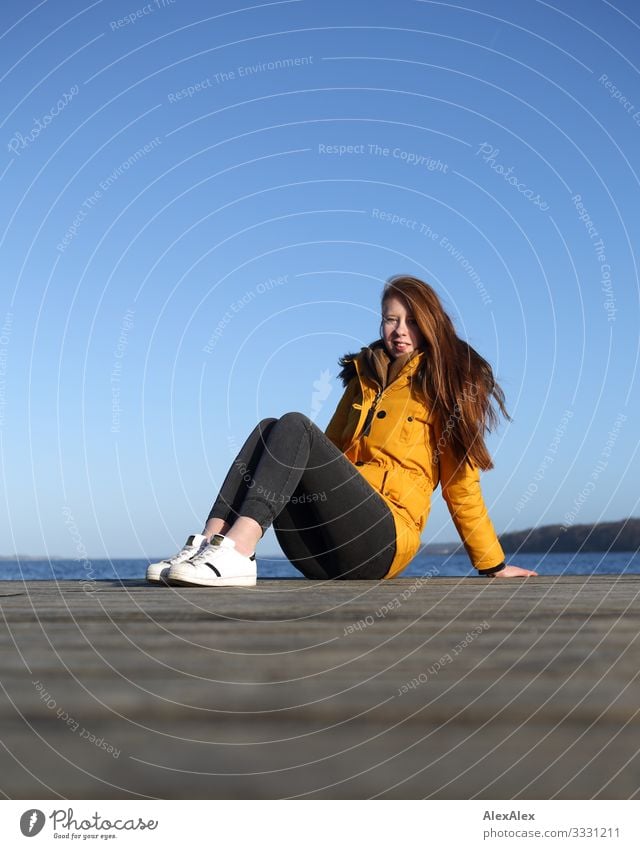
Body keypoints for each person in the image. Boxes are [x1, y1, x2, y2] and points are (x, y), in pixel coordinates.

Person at [147, 275, 537, 587]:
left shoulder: (444, 385)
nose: (400, 330)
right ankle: (210, 543)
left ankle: (240, 549)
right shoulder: (362, 379)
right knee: (272, 430)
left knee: (295, 423)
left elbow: (461, 486)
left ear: (431, 324)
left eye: (412, 321)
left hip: (381, 541)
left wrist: (492, 565)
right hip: (321, 550)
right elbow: (326, 452)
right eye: (391, 318)